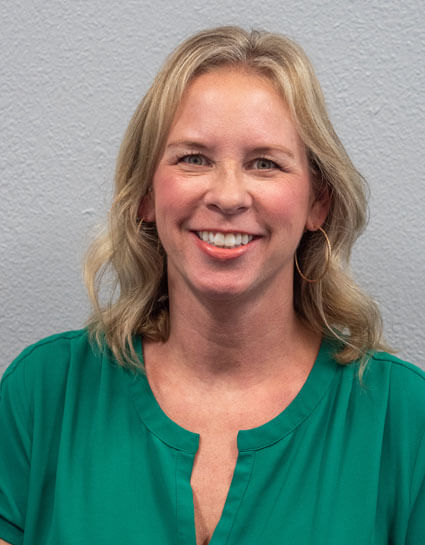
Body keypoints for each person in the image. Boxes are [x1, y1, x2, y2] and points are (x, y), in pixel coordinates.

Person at [0, 26, 424, 545]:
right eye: (194, 158)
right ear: (146, 195)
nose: (227, 195)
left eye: (264, 163)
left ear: (319, 202)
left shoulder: (404, 419)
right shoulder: (43, 395)